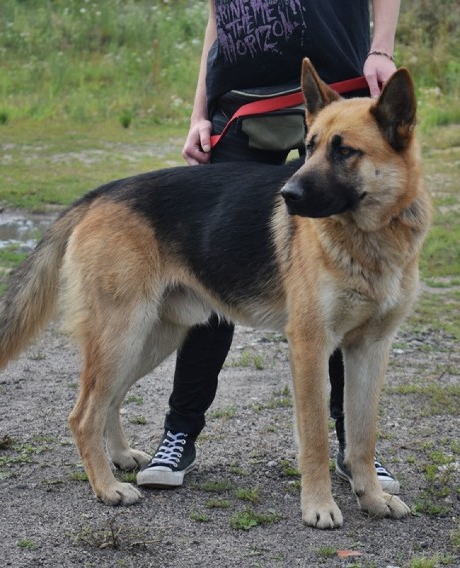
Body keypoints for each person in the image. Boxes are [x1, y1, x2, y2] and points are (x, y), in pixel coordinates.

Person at [137, 0, 402, 494]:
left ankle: (352, 452)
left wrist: (381, 47)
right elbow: (219, 18)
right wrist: (200, 112)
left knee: (343, 285)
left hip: (331, 90)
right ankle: (178, 433)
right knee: (208, 267)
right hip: (239, 103)